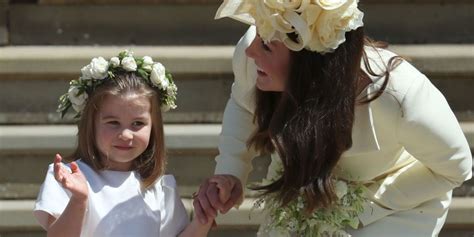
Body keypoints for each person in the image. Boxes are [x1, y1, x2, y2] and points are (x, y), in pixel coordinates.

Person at [194, 0, 473, 236]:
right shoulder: (253, 59)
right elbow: (244, 106)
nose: (250, 51)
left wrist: (359, 205)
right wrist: (230, 170)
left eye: (266, 45)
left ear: (310, 64)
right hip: (309, 179)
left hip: (399, 205)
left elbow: (456, 169)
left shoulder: (400, 97)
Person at [33, 51, 216, 237]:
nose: (126, 134)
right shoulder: (69, 177)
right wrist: (79, 200)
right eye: (113, 123)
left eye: (138, 124)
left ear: (154, 127)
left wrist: (203, 219)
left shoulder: (160, 187)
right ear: (91, 124)